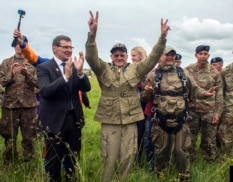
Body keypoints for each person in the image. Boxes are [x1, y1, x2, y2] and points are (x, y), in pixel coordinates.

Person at [85, 11, 170, 182]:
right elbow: (91, 57)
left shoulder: (136, 68)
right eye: (115, 55)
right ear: (111, 57)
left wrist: (162, 38)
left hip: (131, 119)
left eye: (122, 55)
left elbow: (153, 58)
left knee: (128, 154)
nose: (119, 57)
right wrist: (92, 35)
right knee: (108, 155)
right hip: (110, 119)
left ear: (125, 56)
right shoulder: (103, 68)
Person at [143, 46, 217, 181]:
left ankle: (184, 176)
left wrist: (206, 93)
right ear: (160, 56)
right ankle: (160, 175)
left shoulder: (183, 73)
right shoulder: (153, 75)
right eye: (167, 55)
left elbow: (195, 90)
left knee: (181, 151)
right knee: (161, 150)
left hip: (180, 119)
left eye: (172, 55)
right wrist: (147, 92)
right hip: (160, 120)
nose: (170, 57)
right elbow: (145, 99)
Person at [36, 35, 91, 181]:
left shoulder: (74, 67)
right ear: (55, 48)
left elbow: (87, 87)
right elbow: (45, 91)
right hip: (54, 124)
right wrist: (65, 77)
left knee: (73, 160)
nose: (69, 50)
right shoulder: (44, 68)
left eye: (70, 47)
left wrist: (79, 73)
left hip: (73, 121)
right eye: (65, 47)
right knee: (53, 163)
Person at [0, 35, 38, 163]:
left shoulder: (33, 63)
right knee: (9, 137)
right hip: (10, 106)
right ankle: (10, 164)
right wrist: (11, 73)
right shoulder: (6, 63)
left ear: (25, 45)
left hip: (29, 106)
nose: (18, 46)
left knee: (29, 137)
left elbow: (38, 84)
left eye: (20, 43)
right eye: (15, 44)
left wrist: (27, 75)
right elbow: (2, 82)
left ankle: (29, 163)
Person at [185, 45, 223, 162]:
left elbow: (219, 94)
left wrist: (217, 113)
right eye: (200, 54)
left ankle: (209, 163)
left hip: (209, 111)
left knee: (209, 140)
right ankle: (189, 162)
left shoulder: (214, 72)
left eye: (205, 54)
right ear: (196, 55)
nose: (203, 56)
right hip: (192, 111)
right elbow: (184, 91)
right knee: (190, 139)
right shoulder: (188, 70)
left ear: (208, 56)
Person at [131, 46, 147, 167]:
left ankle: (138, 160)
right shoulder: (132, 69)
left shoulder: (146, 70)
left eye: (134, 56)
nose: (132, 58)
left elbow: (147, 89)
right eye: (131, 56)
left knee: (141, 134)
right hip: (132, 106)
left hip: (143, 106)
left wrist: (138, 82)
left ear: (140, 56)